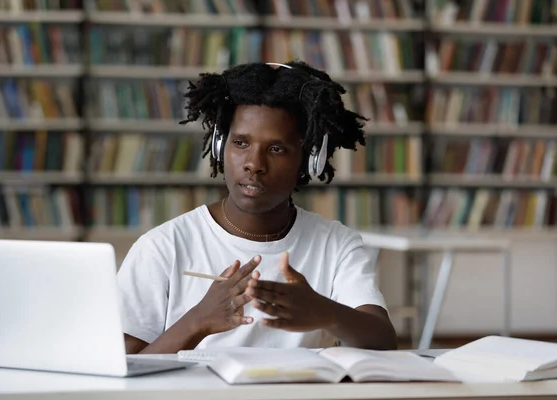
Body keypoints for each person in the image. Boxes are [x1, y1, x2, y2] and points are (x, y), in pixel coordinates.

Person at [118, 60, 397, 354]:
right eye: (240, 143)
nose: (254, 164)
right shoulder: (162, 247)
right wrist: (197, 322)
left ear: (308, 161)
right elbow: (124, 373)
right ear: (219, 146)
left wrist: (326, 312)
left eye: (276, 149)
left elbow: (384, 341)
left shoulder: (336, 245)